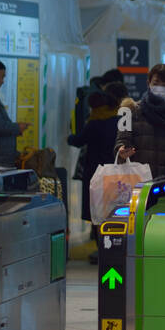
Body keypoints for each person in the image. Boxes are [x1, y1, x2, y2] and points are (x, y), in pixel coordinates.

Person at [67, 88, 121, 262]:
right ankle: (114, 247)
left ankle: (102, 250)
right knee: (112, 212)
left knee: (98, 214)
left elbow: (77, 141)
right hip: (115, 174)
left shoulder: (94, 123)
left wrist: (69, 134)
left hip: (96, 175)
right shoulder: (118, 121)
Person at [116, 63, 165, 179]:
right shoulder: (130, 111)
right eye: (155, 83)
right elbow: (121, 142)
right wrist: (121, 152)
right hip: (139, 181)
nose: (160, 88)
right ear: (148, 83)